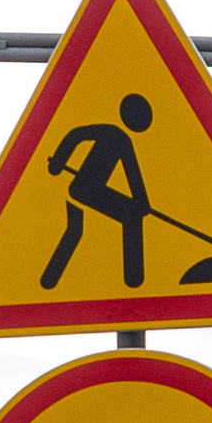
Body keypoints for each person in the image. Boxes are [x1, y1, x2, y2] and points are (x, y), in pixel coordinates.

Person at [42, 93, 155, 290]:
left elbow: (132, 174)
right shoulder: (115, 135)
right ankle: (134, 279)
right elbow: (76, 135)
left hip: (90, 189)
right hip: (85, 188)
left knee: (131, 214)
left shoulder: (119, 138)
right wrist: (58, 162)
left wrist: (142, 202)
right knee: (130, 215)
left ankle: (134, 280)